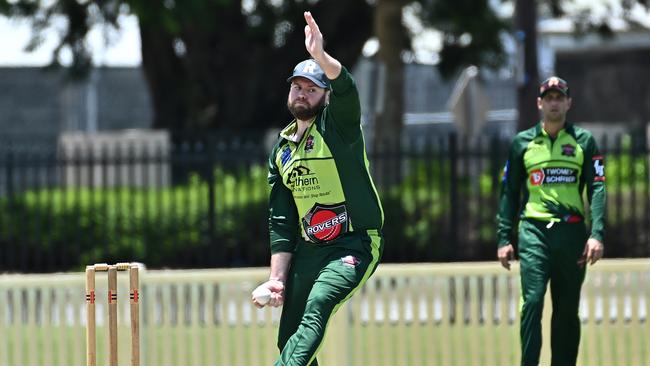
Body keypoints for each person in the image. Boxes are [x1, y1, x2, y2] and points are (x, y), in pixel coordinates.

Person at [252, 11, 384, 366]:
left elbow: (347, 88)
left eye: (312, 89)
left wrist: (322, 57)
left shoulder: (337, 127)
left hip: (353, 242)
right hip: (310, 249)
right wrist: (277, 279)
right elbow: (280, 221)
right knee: (289, 338)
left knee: (320, 302)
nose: (302, 93)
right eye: (297, 86)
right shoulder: (281, 149)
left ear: (324, 97)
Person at [496, 76, 606, 366]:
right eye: (549, 97)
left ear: (568, 103)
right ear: (539, 103)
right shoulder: (522, 143)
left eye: (560, 97)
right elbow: (509, 192)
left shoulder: (584, 141)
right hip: (534, 231)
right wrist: (504, 238)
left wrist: (596, 234)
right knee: (532, 303)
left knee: (567, 310)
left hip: (571, 233)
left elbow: (597, 187)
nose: (554, 102)